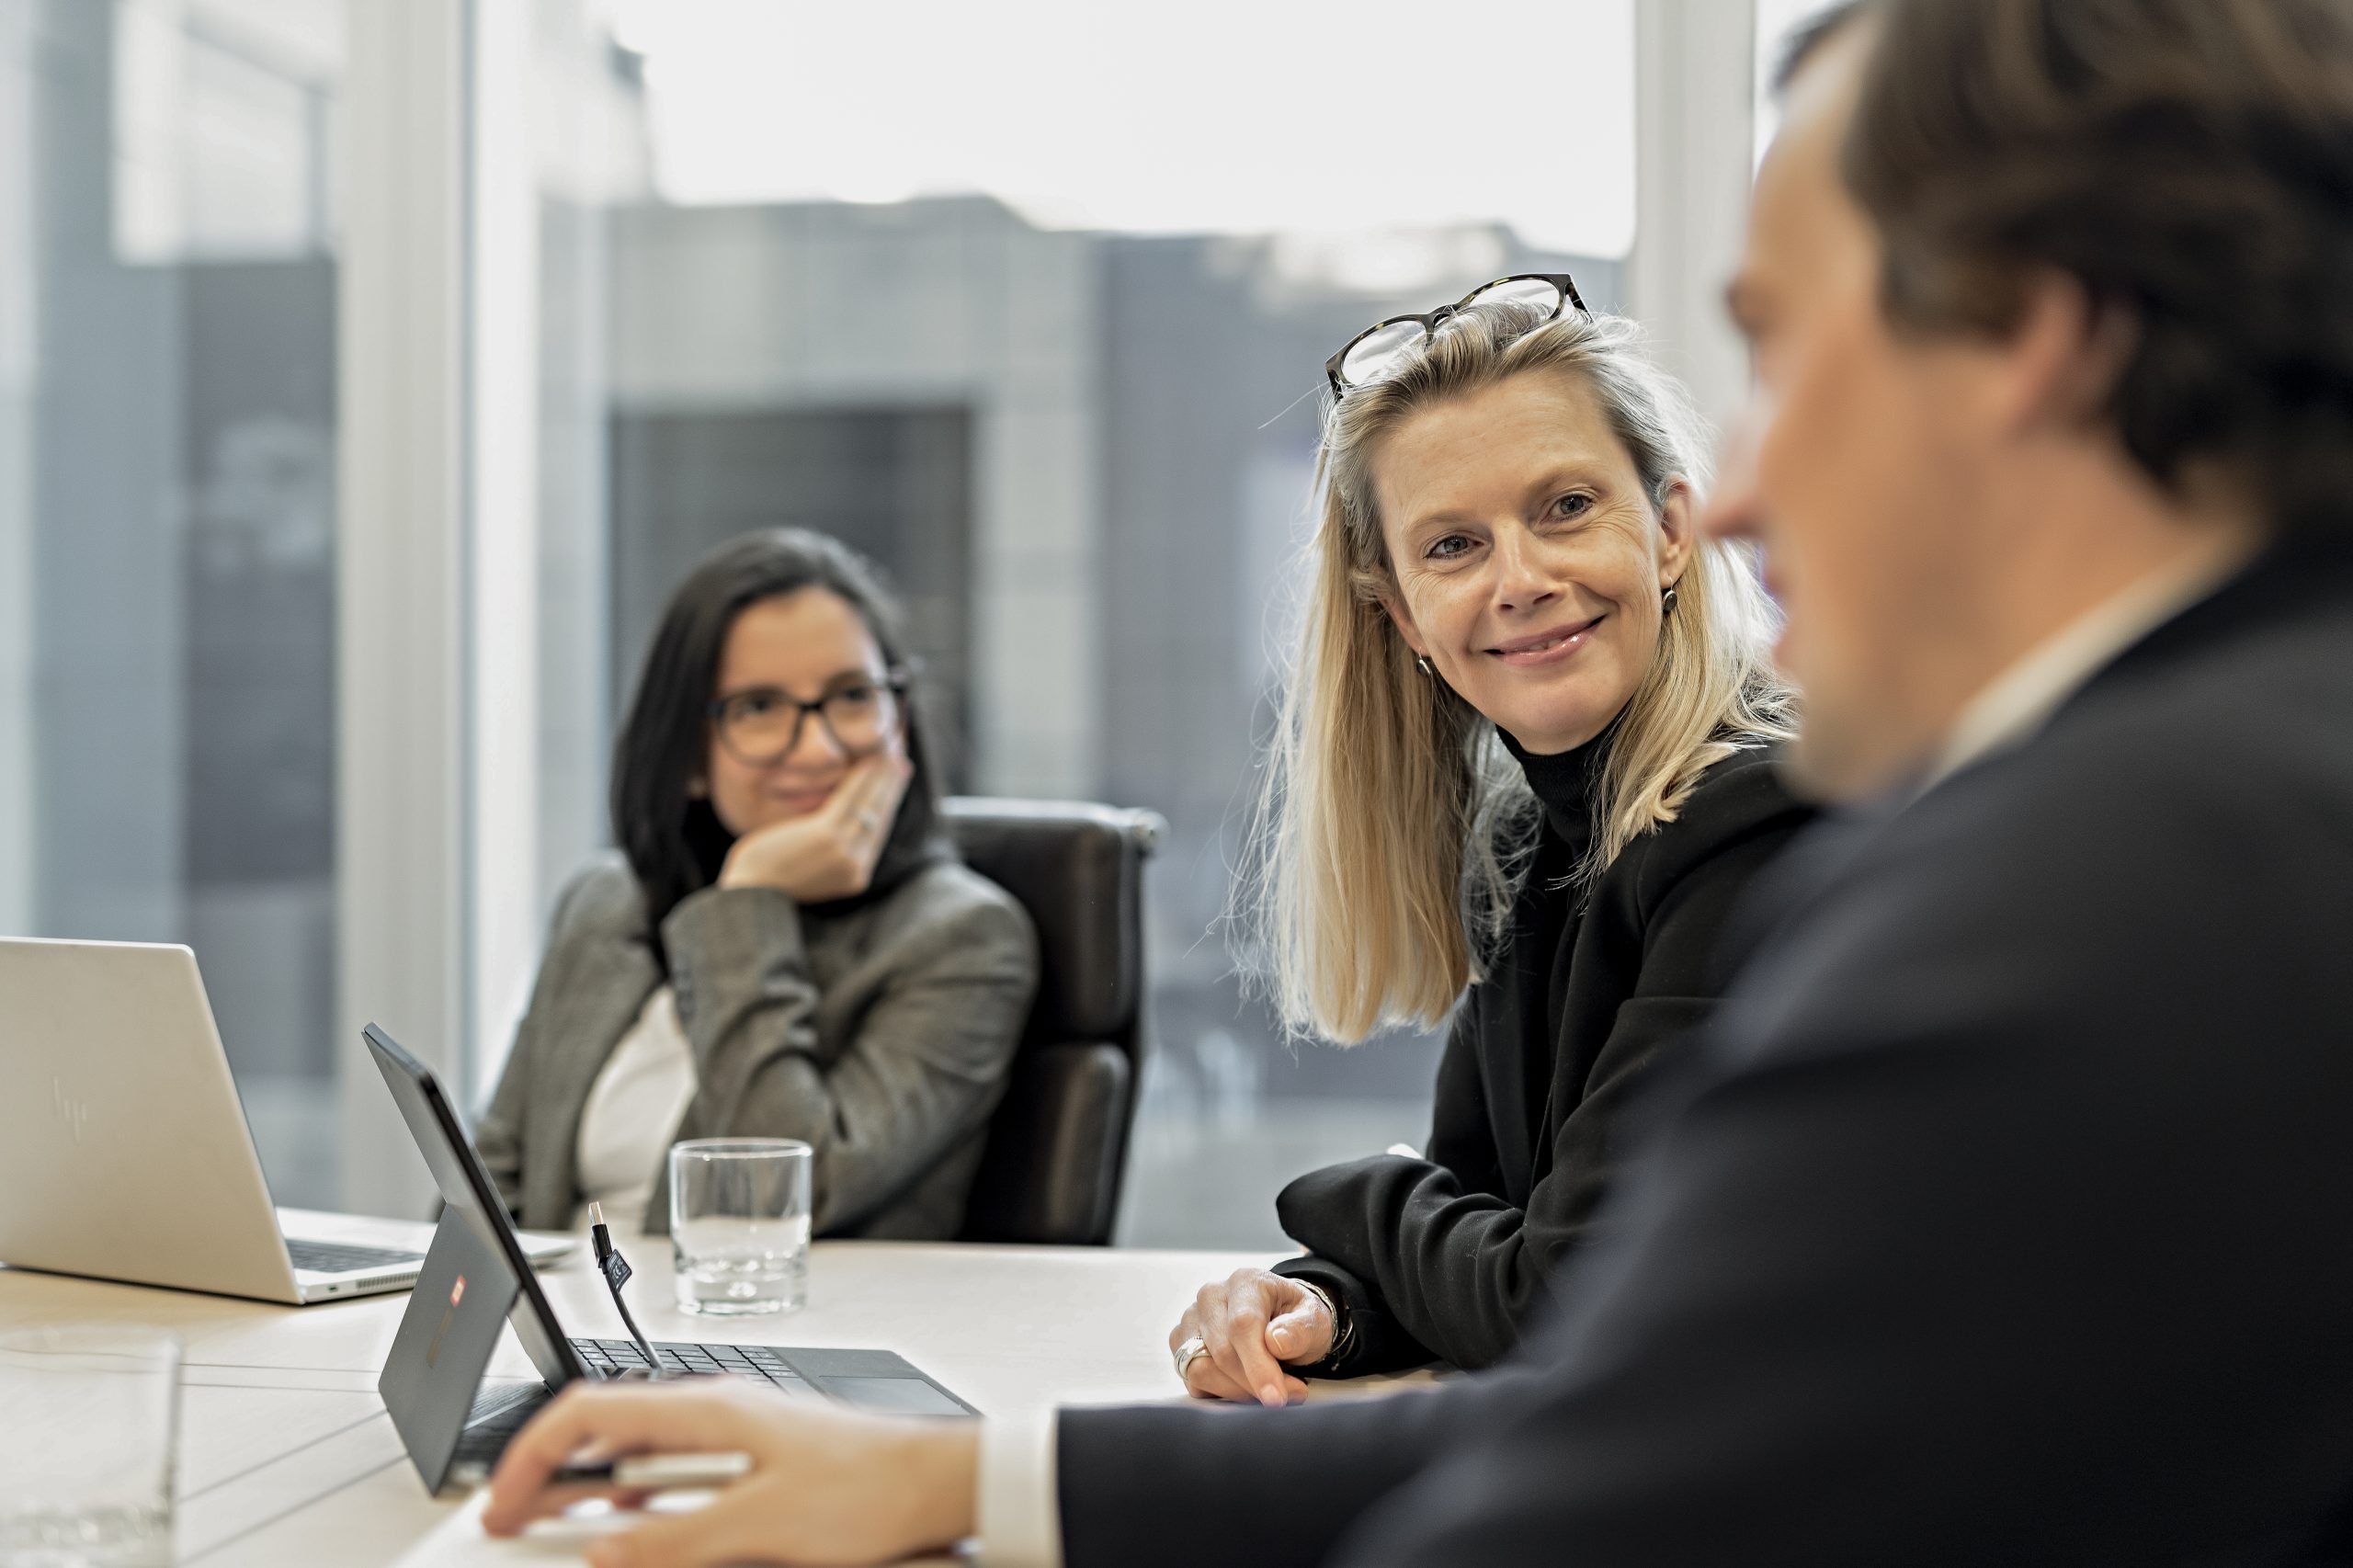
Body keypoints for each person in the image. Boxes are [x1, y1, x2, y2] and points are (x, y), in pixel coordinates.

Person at [483, 2, 2353, 1563]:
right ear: (1386, 609)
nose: (1750, 498)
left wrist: (1326, 1217)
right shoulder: (2145, 800)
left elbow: (1582, 1390)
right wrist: (966, 1470)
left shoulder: (2111, 875)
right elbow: (1636, 1378)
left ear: (2025, 334)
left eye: (1781, 350)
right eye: (1450, 544)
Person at [1172, 295, 1810, 1405]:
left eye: (1565, 506)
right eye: (1454, 544)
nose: (1517, 578)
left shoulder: (1756, 825)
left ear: (1669, 530)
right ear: (1403, 616)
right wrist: (1327, 1302)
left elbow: (1561, 1298)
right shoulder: (1534, 836)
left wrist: (1344, 1203)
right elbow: (1482, 1207)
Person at [475, 528, 1038, 1239]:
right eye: (760, 709)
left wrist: (747, 905)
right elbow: (490, 1183)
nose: (818, 747)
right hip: (563, 1333)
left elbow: (782, 1201)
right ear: (687, 756)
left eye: (852, 696)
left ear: (900, 721)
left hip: (769, 1340)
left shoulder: (964, 941)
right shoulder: (605, 902)